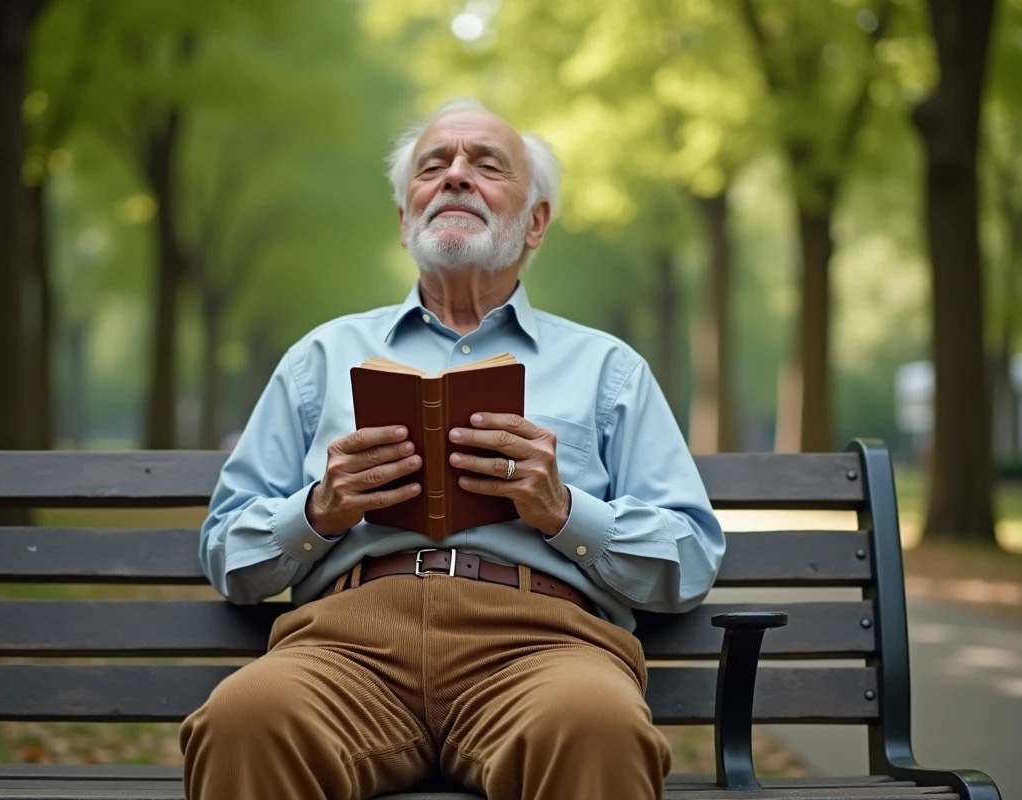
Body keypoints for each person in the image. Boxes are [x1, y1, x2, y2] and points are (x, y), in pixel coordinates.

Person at [180, 99, 726, 800]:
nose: (456, 176)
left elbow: (690, 557)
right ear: (404, 218)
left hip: (543, 645)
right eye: (432, 166)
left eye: (487, 165)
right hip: (347, 646)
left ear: (536, 221)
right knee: (244, 719)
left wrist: (564, 512)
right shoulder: (321, 357)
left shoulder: (607, 368)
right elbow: (225, 548)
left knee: (597, 723)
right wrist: (317, 511)